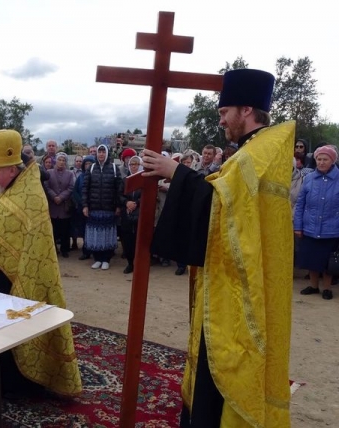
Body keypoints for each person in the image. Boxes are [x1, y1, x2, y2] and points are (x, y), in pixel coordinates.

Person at [142, 69, 293, 427]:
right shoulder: (257, 150)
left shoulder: (256, 154)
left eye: (224, 111)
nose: (220, 118)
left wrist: (174, 171)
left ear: (246, 109)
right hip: (234, 279)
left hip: (237, 290)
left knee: (224, 363)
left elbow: (222, 207)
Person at [0, 129, 82, 397]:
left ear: (12, 169)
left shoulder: (31, 195)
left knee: (13, 332)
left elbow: (28, 239)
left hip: (17, 280)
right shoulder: (4, 190)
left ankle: (19, 386)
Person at [294, 145, 339, 300]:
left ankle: (327, 288)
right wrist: (298, 226)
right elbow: (300, 204)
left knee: (328, 262)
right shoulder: (309, 179)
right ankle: (313, 286)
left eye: (325, 159)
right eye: (319, 159)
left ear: (332, 161)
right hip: (310, 227)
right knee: (312, 259)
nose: (321, 162)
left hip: (331, 228)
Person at [82, 144, 122, 270]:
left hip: (109, 208)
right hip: (94, 208)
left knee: (107, 236)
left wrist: (118, 206)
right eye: (99, 152)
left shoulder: (114, 168)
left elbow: (119, 189)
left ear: (107, 153)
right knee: (95, 236)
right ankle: (97, 259)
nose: (101, 154)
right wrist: (85, 205)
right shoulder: (92, 168)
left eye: (103, 152)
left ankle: (106, 259)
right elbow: (85, 188)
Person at [44, 152, 75, 258]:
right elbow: (46, 186)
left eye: (63, 160)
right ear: (55, 161)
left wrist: (61, 197)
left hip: (64, 206)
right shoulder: (49, 172)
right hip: (53, 206)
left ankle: (65, 249)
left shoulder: (70, 174)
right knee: (53, 230)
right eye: (59, 160)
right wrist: (54, 197)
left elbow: (71, 188)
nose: (61, 162)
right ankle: (53, 250)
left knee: (65, 230)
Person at [119, 155, 141, 274]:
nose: (134, 166)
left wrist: (136, 203)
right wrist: (127, 203)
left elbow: (147, 196)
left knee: (139, 240)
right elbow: (119, 195)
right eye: (132, 164)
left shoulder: (144, 180)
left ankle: (139, 264)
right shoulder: (125, 180)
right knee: (127, 240)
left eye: (136, 164)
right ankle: (130, 263)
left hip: (140, 214)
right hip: (126, 214)